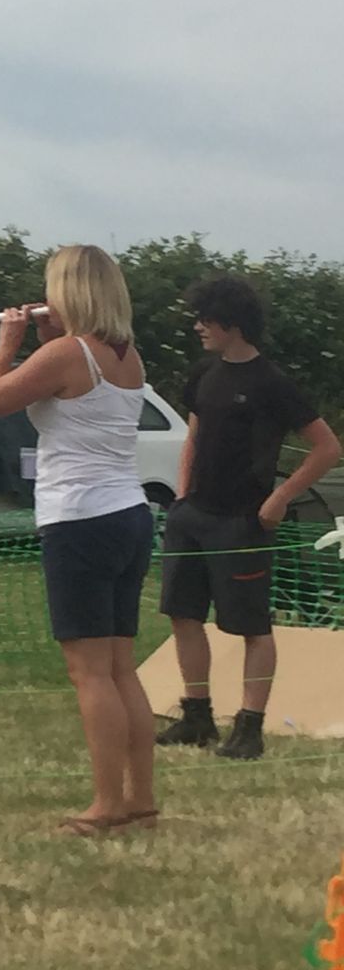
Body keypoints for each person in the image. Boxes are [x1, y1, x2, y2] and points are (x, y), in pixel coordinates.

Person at [0, 245, 158, 835]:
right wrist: (49, 338)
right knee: (121, 668)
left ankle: (107, 805)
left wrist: (6, 344)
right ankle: (140, 799)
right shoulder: (128, 357)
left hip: (79, 518)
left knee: (90, 673)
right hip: (129, 512)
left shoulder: (64, 353)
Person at [154, 276, 341, 758]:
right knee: (183, 615)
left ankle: (249, 726)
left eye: (205, 319)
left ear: (233, 323)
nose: (198, 327)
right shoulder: (202, 374)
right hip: (190, 515)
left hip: (242, 521)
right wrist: (181, 495)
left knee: (252, 627)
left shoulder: (272, 383)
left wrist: (280, 498)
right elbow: (193, 437)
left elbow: (327, 447)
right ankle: (197, 716)